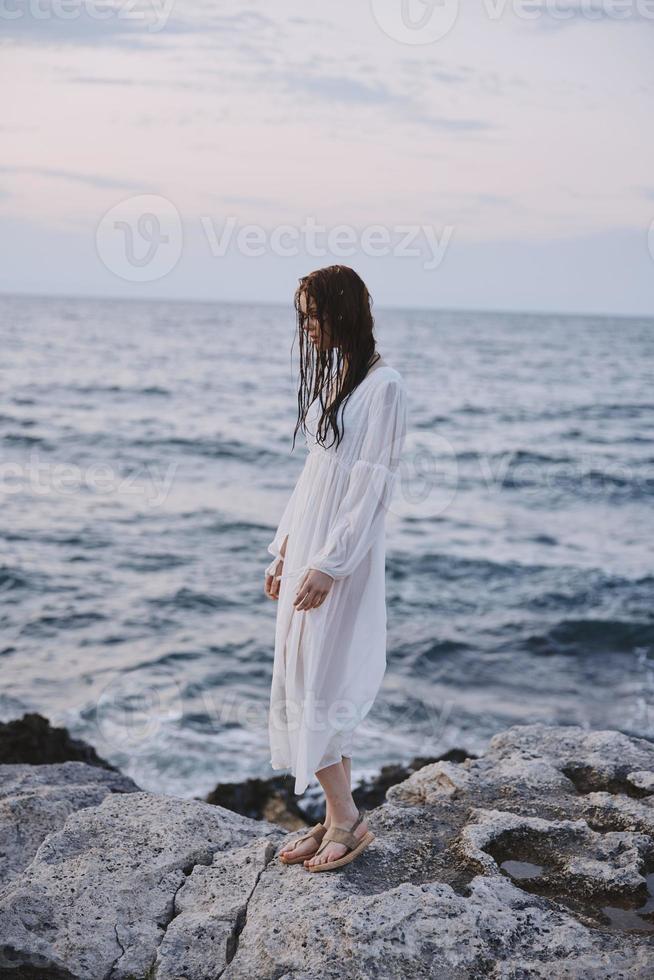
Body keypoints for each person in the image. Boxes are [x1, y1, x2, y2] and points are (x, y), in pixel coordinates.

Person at [263, 264, 408, 872]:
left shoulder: (384, 386)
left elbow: (371, 488)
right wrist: (284, 549)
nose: (309, 326)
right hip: (312, 551)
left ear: (346, 311)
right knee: (304, 680)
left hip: (338, 560)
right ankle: (335, 814)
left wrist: (328, 564)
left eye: (316, 313)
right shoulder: (338, 380)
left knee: (320, 680)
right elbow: (315, 478)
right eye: (303, 315)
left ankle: (345, 819)